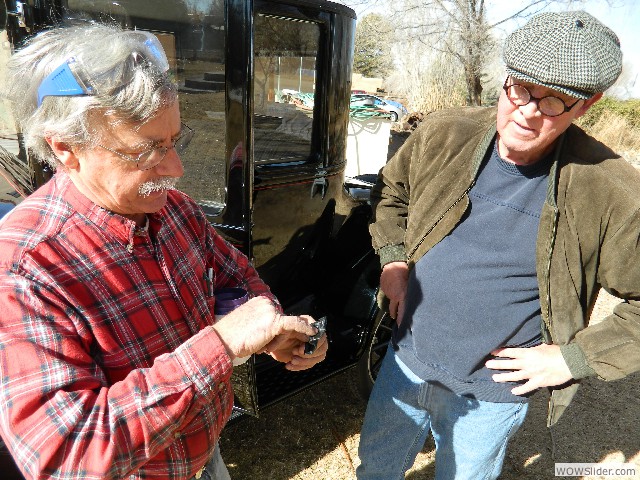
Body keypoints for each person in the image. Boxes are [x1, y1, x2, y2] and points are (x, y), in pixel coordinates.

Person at [0, 23, 327, 480]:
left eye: (174, 141)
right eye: (146, 152)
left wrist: (270, 327)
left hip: (205, 454)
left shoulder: (174, 210)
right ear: (65, 148)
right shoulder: (25, 267)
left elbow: (236, 278)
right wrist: (224, 343)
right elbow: (64, 456)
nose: (174, 169)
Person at [357, 10, 640, 480]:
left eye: (554, 102)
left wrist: (573, 358)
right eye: (521, 88)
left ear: (586, 106)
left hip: (490, 394)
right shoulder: (445, 133)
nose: (528, 111)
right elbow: (394, 196)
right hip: (404, 361)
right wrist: (393, 263)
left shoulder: (611, 193)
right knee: (377, 470)